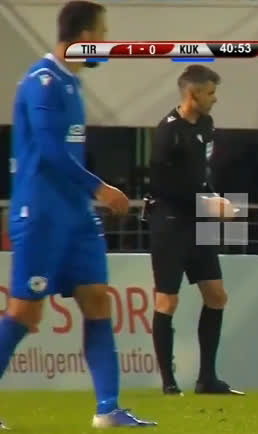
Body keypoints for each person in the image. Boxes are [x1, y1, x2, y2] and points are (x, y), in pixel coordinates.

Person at [0, 1, 156, 428]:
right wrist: (100, 188)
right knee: (25, 313)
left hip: (76, 216)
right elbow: (50, 152)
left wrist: (87, 196)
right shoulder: (43, 81)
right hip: (41, 214)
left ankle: (108, 409)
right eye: (103, 34)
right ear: (85, 37)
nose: (107, 43)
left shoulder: (72, 83)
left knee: (97, 299)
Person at [148, 65, 243, 396]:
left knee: (216, 295)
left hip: (197, 222)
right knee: (167, 301)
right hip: (169, 223)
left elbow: (201, 175)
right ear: (193, 94)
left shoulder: (206, 125)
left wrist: (214, 200)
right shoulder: (167, 132)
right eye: (210, 93)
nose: (215, 99)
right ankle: (168, 382)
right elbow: (163, 186)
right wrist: (209, 204)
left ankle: (207, 379)